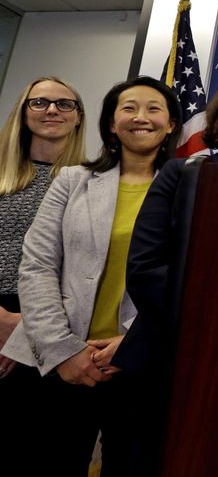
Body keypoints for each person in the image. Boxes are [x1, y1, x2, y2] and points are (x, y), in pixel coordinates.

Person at [1, 76, 181, 475]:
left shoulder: (191, 191)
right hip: (63, 362)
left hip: (140, 364)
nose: (141, 117)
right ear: (111, 123)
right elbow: (37, 266)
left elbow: (188, 281)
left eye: (154, 109)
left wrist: (133, 344)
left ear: (171, 125)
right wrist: (63, 351)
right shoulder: (72, 181)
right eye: (128, 108)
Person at [0, 77, 86, 474]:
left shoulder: (92, 183)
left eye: (64, 104)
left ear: (78, 117)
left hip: (54, 328)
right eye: (39, 102)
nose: (52, 110)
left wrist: (29, 329)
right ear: (23, 112)